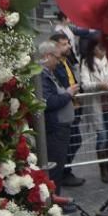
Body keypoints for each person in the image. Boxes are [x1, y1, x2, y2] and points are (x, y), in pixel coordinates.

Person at [78, 39, 108, 183]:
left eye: (103, 46)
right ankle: (103, 169)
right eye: (99, 47)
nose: (103, 49)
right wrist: (100, 85)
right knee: (102, 137)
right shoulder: (86, 63)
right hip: (97, 105)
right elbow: (85, 85)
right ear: (93, 49)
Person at [39, 41, 80, 191]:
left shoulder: (49, 73)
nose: (58, 61)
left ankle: (56, 199)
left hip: (60, 127)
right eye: (56, 57)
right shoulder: (42, 75)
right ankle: (54, 202)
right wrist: (68, 94)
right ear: (47, 56)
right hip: (55, 129)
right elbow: (49, 102)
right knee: (55, 169)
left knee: (58, 166)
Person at [49, 33, 86, 187]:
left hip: (74, 106)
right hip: (65, 107)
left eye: (68, 43)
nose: (69, 46)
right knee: (73, 141)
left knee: (74, 140)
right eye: (64, 44)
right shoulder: (54, 65)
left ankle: (66, 171)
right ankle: (64, 172)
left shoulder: (67, 61)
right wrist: (68, 93)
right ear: (55, 46)